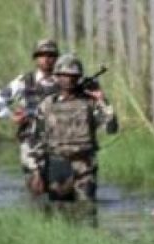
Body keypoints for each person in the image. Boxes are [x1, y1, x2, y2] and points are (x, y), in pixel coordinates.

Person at [31, 54, 118, 223]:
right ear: (56, 77)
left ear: (79, 78)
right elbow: (38, 141)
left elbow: (111, 128)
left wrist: (102, 100)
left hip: (84, 166)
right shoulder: (47, 105)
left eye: (73, 76)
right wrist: (38, 172)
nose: (69, 80)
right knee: (59, 215)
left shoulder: (90, 103)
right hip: (57, 166)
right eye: (64, 75)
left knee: (87, 212)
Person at [0, 38, 61, 195]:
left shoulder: (66, 81)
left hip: (60, 140)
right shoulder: (25, 81)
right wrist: (11, 116)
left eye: (51, 54)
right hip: (31, 141)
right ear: (36, 58)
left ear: (57, 57)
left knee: (61, 188)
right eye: (42, 54)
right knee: (36, 186)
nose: (47, 58)